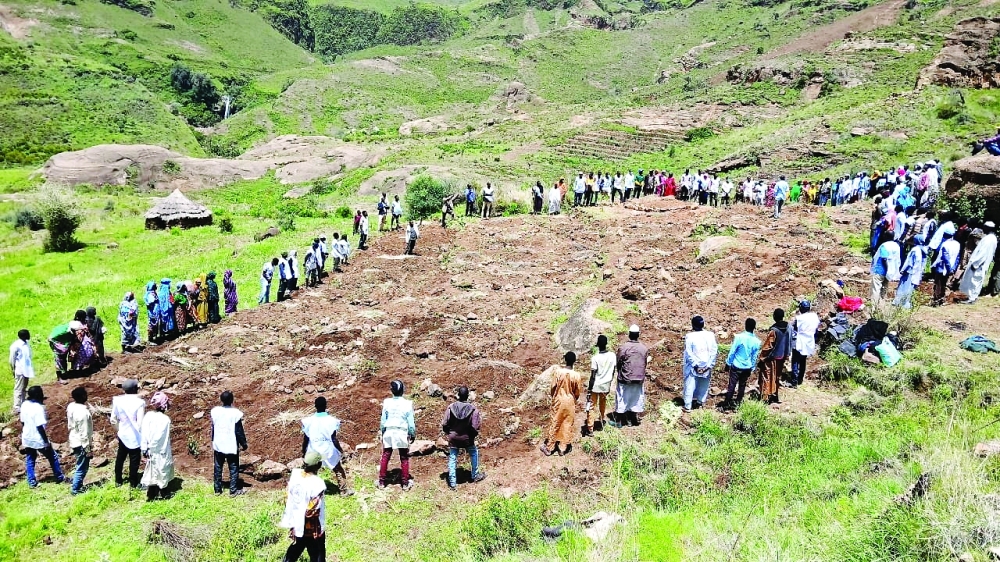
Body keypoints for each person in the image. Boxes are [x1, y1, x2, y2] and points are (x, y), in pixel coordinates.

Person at [279, 451, 327, 562]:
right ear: (318, 466)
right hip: (311, 527)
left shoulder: (295, 476)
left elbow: (288, 497)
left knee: (296, 548)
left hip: (296, 523)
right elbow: (312, 510)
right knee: (317, 554)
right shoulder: (317, 484)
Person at [301, 396, 351, 495]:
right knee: (338, 469)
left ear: (315, 406)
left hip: (314, 451)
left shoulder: (308, 421)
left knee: (311, 471)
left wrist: (304, 451)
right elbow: (334, 439)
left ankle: (311, 492)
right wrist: (341, 451)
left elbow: (306, 439)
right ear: (325, 406)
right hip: (328, 451)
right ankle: (344, 491)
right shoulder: (332, 421)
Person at [441, 386, 486, 490]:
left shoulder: (451, 407)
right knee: (474, 453)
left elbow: (444, 423)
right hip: (467, 438)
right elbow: (475, 427)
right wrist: (471, 437)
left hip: (453, 438)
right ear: (467, 396)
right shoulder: (473, 409)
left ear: (458, 395)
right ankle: (475, 475)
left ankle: (452, 483)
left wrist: (449, 433)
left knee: (452, 457)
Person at [539, 352, 582, 455]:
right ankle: (563, 448)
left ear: (565, 360)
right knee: (567, 423)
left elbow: (553, 387)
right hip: (570, 401)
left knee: (556, 422)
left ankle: (550, 447)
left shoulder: (558, 372)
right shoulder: (577, 375)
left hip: (559, 399)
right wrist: (574, 399)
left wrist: (554, 397)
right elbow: (577, 392)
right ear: (574, 361)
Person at [20, 386, 64, 488]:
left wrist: (25, 433)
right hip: (38, 439)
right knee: (53, 457)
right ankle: (59, 477)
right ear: (37, 395)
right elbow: (40, 427)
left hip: (27, 437)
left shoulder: (24, 404)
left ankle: (31, 481)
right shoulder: (38, 408)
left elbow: (22, 422)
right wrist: (46, 442)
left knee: (30, 459)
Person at [378, 380, 416, 490]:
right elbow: (411, 423)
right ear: (403, 391)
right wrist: (412, 434)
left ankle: (381, 482)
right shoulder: (408, 404)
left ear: (392, 391)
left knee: (386, 456)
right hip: (401, 432)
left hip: (389, 431)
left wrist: (382, 431)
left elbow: (383, 421)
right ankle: (404, 483)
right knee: (404, 457)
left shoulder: (387, 402)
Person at [211, 390, 248, 496]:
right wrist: (244, 444)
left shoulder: (215, 411)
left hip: (218, 444)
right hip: (231, 444)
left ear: (221, 400)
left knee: (218, 466)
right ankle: (233, 490)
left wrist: (213, 439)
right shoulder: (235, 413)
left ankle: (217, 489)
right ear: (232, 400)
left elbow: (213, 427)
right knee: (233, 467)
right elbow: (239, 431)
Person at [141, 391, 174, 501]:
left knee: (152, 471)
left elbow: (144, 432)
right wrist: (154, 447)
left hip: (150, 449)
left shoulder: (148, 416)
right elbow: (162, 437)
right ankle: (164, 493)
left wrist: (145, 448)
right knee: (162, 470)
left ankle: (151, 494)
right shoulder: (165, 420)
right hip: (161, 450)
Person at [111, 379, 144, 488]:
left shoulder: (117, 401)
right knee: (134, 460)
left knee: (120, 458)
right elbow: (140, 423)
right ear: (135, 389)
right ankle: (133, 483)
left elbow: (113, 420)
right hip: (135, 437)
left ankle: (118, 480)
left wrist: (118, 430)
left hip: (123, 434)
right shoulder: (140, 403)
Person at [722, 318, 761, 411]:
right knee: (742, 386)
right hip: (747, 367)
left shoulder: (739, 337)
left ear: (745, 326)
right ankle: (737, 405)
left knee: (731, 385)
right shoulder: (757, 341)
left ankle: (726, 405)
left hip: (736, 365)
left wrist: (728, 363)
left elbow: (732, 352)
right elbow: (754, 357)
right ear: (754, 328)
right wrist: (752, 367)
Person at [614, 325, 649, 426]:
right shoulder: (644, 348)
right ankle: (633, 418)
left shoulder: (623, 348)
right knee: (636, 398)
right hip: (639, 378)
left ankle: (619, 421)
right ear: (638, 335)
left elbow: (619, 362)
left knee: (621, 397)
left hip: (625, 378)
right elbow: (644, 363)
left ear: (629, 335)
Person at [682, 316, 718, 412]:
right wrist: (708, 366)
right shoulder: (710, 335)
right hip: (706, 365)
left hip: (693, 366)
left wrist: (696, 366)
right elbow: (714, 351)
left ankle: (688, 406)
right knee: (704, 384)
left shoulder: (690, 336)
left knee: (690, 385)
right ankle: (700, 402)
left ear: (693, 325)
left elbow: (689, 353)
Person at [584, 335, 615, 436]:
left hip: (596, 385)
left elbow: (593, 376)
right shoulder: (612, 356)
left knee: (592, 405)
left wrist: (589, 390)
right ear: (606, 344)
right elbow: (613, 371)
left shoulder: (595, 358)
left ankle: (590, 428)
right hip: (606, 385)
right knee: (603, 403)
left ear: (598, 345)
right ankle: (601, 421)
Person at [959, 221, 998, 303]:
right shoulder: (992, 238)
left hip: (979, 264)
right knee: (976, 281)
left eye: (984, 227)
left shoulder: (988, 239)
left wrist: (976, 264)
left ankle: (971, 298)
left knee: (974, 281)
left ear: (988, 228)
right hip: (982, 263)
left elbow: (983, 253)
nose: (983, 229)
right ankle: (971, 297)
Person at [758, 309, 790, 404]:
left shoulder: (774, 330)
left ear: (774, 317)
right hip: (782, 356)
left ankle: (765, 397)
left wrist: (762, 358)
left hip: (772, 358)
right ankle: (775, 395)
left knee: (767, 376)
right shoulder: (788, 327)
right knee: (776, 376)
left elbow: (768, 346)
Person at [67, 386, 92, 495]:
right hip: (81, 442)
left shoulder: (71, 406)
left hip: (73, 438)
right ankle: (75, 489)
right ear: (82, 396)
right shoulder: (83, 413)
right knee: (82, 466)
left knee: (80, 464)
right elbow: (84, 433)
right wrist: (88, 449)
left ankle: (78, 485)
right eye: (85, 394)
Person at [789, 301, 820, 388]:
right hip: (809, 341)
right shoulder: (814, 317)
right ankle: (800, 379)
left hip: (800, 340)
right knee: (803, 360)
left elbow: (794, 328)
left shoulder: (799, 318)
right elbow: (817, 328)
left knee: (795, 360)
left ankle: (794, 382)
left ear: (800, 308)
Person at [931, 226, 961, 305]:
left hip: (942, 267)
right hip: (951, 267)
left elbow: (945, 257)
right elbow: (958, 257)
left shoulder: (945, 244)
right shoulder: (957, 244)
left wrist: (948, 268)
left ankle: (936, 300)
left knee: (938, 284)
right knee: (944, 284)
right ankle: (942, 299)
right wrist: (953, 268)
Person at [894, 238, 928, 309]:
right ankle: (907, 303)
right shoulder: (923, 250)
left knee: (904, 287)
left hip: (909, 272)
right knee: (911, 289)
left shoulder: (914, 250)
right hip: (917, 272)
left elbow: (908, 262)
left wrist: (902, 270)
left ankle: (900, 302)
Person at [870, 239, 901, 304]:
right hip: (890, 273)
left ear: (885, 237)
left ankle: (873, 307)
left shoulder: (885, 246)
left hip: (880, 271)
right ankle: (881, 306)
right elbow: (897, 260)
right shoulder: (896, 246)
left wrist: (887, 268)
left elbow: (884, 259)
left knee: (876, 289)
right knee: (884, 289)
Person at [9, 329, 33, 413]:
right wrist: (13, 369)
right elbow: (12, 359)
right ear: (23, 336)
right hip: (20, 370)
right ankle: (16, 406)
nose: (29, 335)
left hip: (26, 369)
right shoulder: (16, 346)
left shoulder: (26, 343)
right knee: (18, 388)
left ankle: (23, 403)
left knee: (24, 387)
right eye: (28, 334)